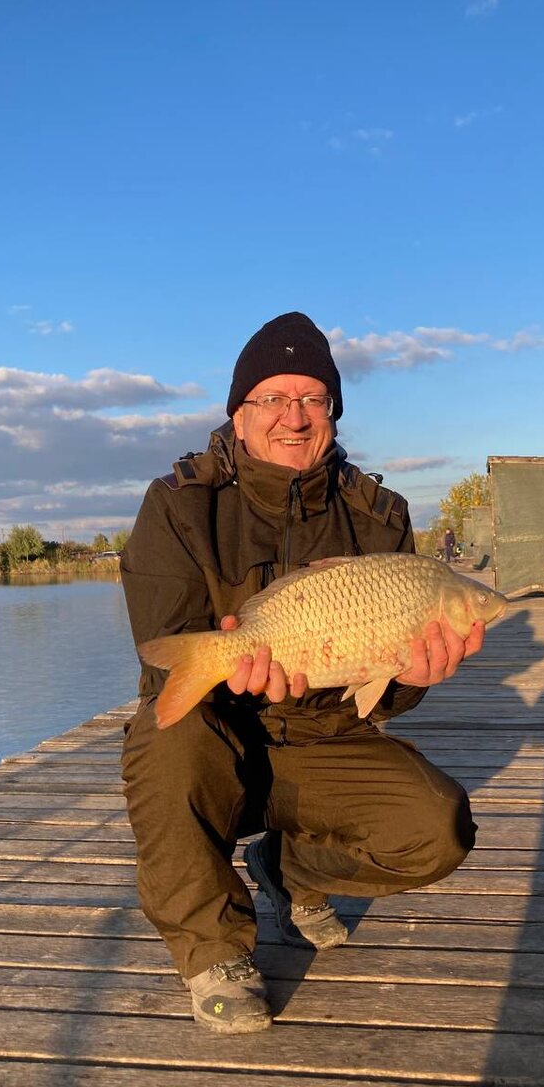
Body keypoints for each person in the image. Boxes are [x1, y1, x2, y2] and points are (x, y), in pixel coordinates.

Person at [120, 312, 483, 1034]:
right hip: (218, 728)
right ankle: (213, 954)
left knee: (438, 828)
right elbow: (167, 650)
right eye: (273, 399)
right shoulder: (179, 503)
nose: (294, 416)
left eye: (313, 399)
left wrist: (417, 676)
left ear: (333, 413)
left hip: (325, 736)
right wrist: (233, 671)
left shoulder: (380, 516)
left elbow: (384, 692)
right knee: (165, 743)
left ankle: (292, 873)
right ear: (239, 411)